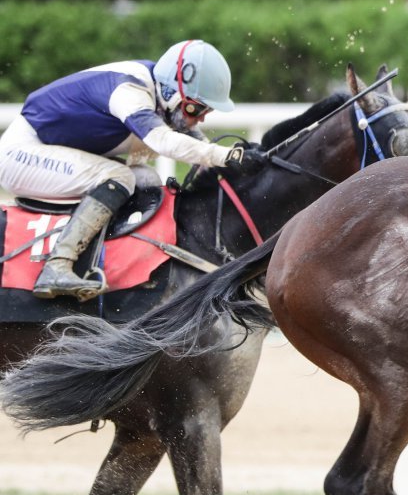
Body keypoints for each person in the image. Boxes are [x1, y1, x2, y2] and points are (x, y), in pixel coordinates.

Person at [0, 39, 267, 300]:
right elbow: (162, 141)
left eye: (206, 110)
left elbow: (197, 147)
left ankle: (127, 268)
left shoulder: (160, 91)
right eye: (196, 108)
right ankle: (57, 266)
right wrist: (226, 155)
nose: (201, 118)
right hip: (21, 154)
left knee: (147, 179)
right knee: (119, 177)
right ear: (173, 93)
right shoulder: (129, 90)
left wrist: (240, 163)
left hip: (47, 149)